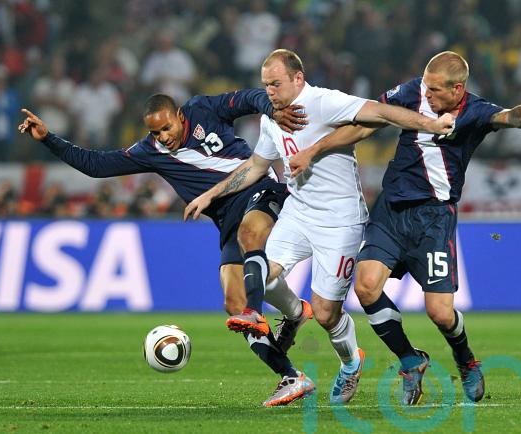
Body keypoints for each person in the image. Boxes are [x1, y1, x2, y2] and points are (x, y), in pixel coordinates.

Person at [289, 51, 521, 405]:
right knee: (366, 287)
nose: (428, 95)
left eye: (436, 90)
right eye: (426, 87)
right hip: (391, 211)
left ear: (457, 89)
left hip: (434, 219)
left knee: (439, 312)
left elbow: (512, 117)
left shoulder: (475, 111)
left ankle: (465, 359)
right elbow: (365, 122)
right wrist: (314, 149)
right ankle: (410, 361)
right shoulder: (410, 93)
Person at [185, 49, 454, 405]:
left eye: (275, 84)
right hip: (297, 213)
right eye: (265, 85)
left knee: (327, 314)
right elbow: (255, 166)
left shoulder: (324, 102)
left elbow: (380, 112)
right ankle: (294, 314)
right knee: (258, 272)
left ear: (298, 78)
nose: (269, 92)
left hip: (340, 221)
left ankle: (350, 363)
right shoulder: (271, 118)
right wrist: (211, 194)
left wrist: (430, 125)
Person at [18, 89, 317, 407]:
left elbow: (248, 98)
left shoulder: (204, 109)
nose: (163, 136)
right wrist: (48, 138)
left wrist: (272, 109)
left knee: (251, 238)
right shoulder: (150, 151)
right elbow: (95, 165)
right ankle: (291, 375)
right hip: (228, 220)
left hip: (260, 189)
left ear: (180, 116)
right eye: (155, 132)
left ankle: (259, 311)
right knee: (233, 303)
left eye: (166, 128)